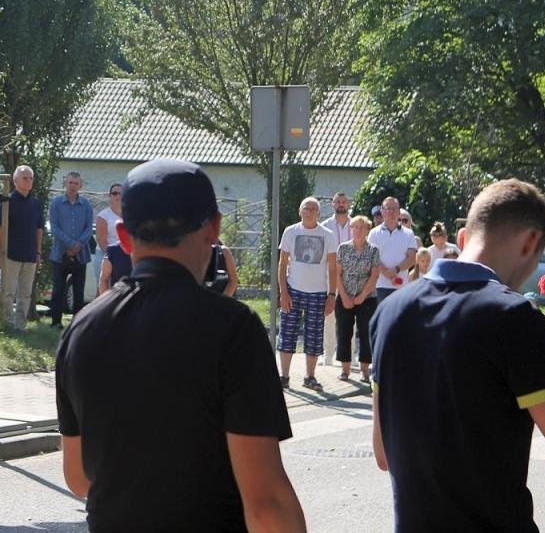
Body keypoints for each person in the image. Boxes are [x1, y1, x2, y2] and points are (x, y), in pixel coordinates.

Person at [372, 178, 545, 533]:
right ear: (530, 242)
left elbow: (384, 454)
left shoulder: (390, 312)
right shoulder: (513, 318)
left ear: (463, 237)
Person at [55, 158, 305, 533]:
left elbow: (78, 477)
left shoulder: (81, 329)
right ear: (214, 228)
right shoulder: (234, 329)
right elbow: (267, 503)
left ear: (123, 236)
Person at [277, 197, 336, 391]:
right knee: (287, 333)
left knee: (314, 335)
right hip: (293, 290)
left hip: (318, 293)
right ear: (300, 211)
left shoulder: (328, 235)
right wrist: (283, 292)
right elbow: (282, 264)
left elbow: (333, 267)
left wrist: (331, 295)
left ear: (319, 213)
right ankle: (284, 376)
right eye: (306, 208)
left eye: (313, 209)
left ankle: (310, 376)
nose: (309, 212)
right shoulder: (290, 232)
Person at [333, 214, 380, 384]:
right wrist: (344, 296)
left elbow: (374, 275)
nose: (358, 230)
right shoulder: (343, 248)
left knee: (366, 333)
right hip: (345, 295)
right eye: (355, 227)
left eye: (362, 227)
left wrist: (362, 296)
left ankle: (365, 370)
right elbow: (337, 274)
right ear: (351, 229)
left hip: (367, 298)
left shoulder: (373, 250)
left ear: (367, 229)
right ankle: (345, 370)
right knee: (344, 332)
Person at [0, 165, 43, 329]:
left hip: (30, 255)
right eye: (25, 178)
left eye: (30, 178)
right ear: (15, 181)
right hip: (11, 254)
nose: (28, 181)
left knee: (25, 293)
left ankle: (20, 325)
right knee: (8, 292)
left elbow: (39, 230)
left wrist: (38, 252)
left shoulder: (36, 203)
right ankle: (7, 323)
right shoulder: (7, 201)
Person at [47, 171, 94, 328]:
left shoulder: (86, 205)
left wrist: (78, 244)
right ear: (65, 184)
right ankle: (56, 322)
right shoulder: (56, 203)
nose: (73, 186)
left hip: (81, 254)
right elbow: (54, 227)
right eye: (70, 183)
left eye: (76, 183)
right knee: (58, 290)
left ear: (80, 185)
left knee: (79, 291)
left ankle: (77, 324)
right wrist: (70, 244)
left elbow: (89, 228)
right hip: (60, 253)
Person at [368, 197, 418, 302]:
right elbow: (371, 257)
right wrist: (385, 272)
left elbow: (412, 258)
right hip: (378, 286)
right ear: (382, 211)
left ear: (399, 212)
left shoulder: (409, 233)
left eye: (394, 208)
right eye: (388, 208)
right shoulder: (373, 233)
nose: (391, 211)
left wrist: (396, 269)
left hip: (401, 286)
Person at [96, 183, 130, 294]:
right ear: (109, 196)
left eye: (121, 193)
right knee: (102, 288)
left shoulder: (130, 214)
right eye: (115, 193)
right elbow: (102, 240)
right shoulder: (103, 215)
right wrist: (113, 258)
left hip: (125, 255)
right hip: (106, 254)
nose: (118, 196)